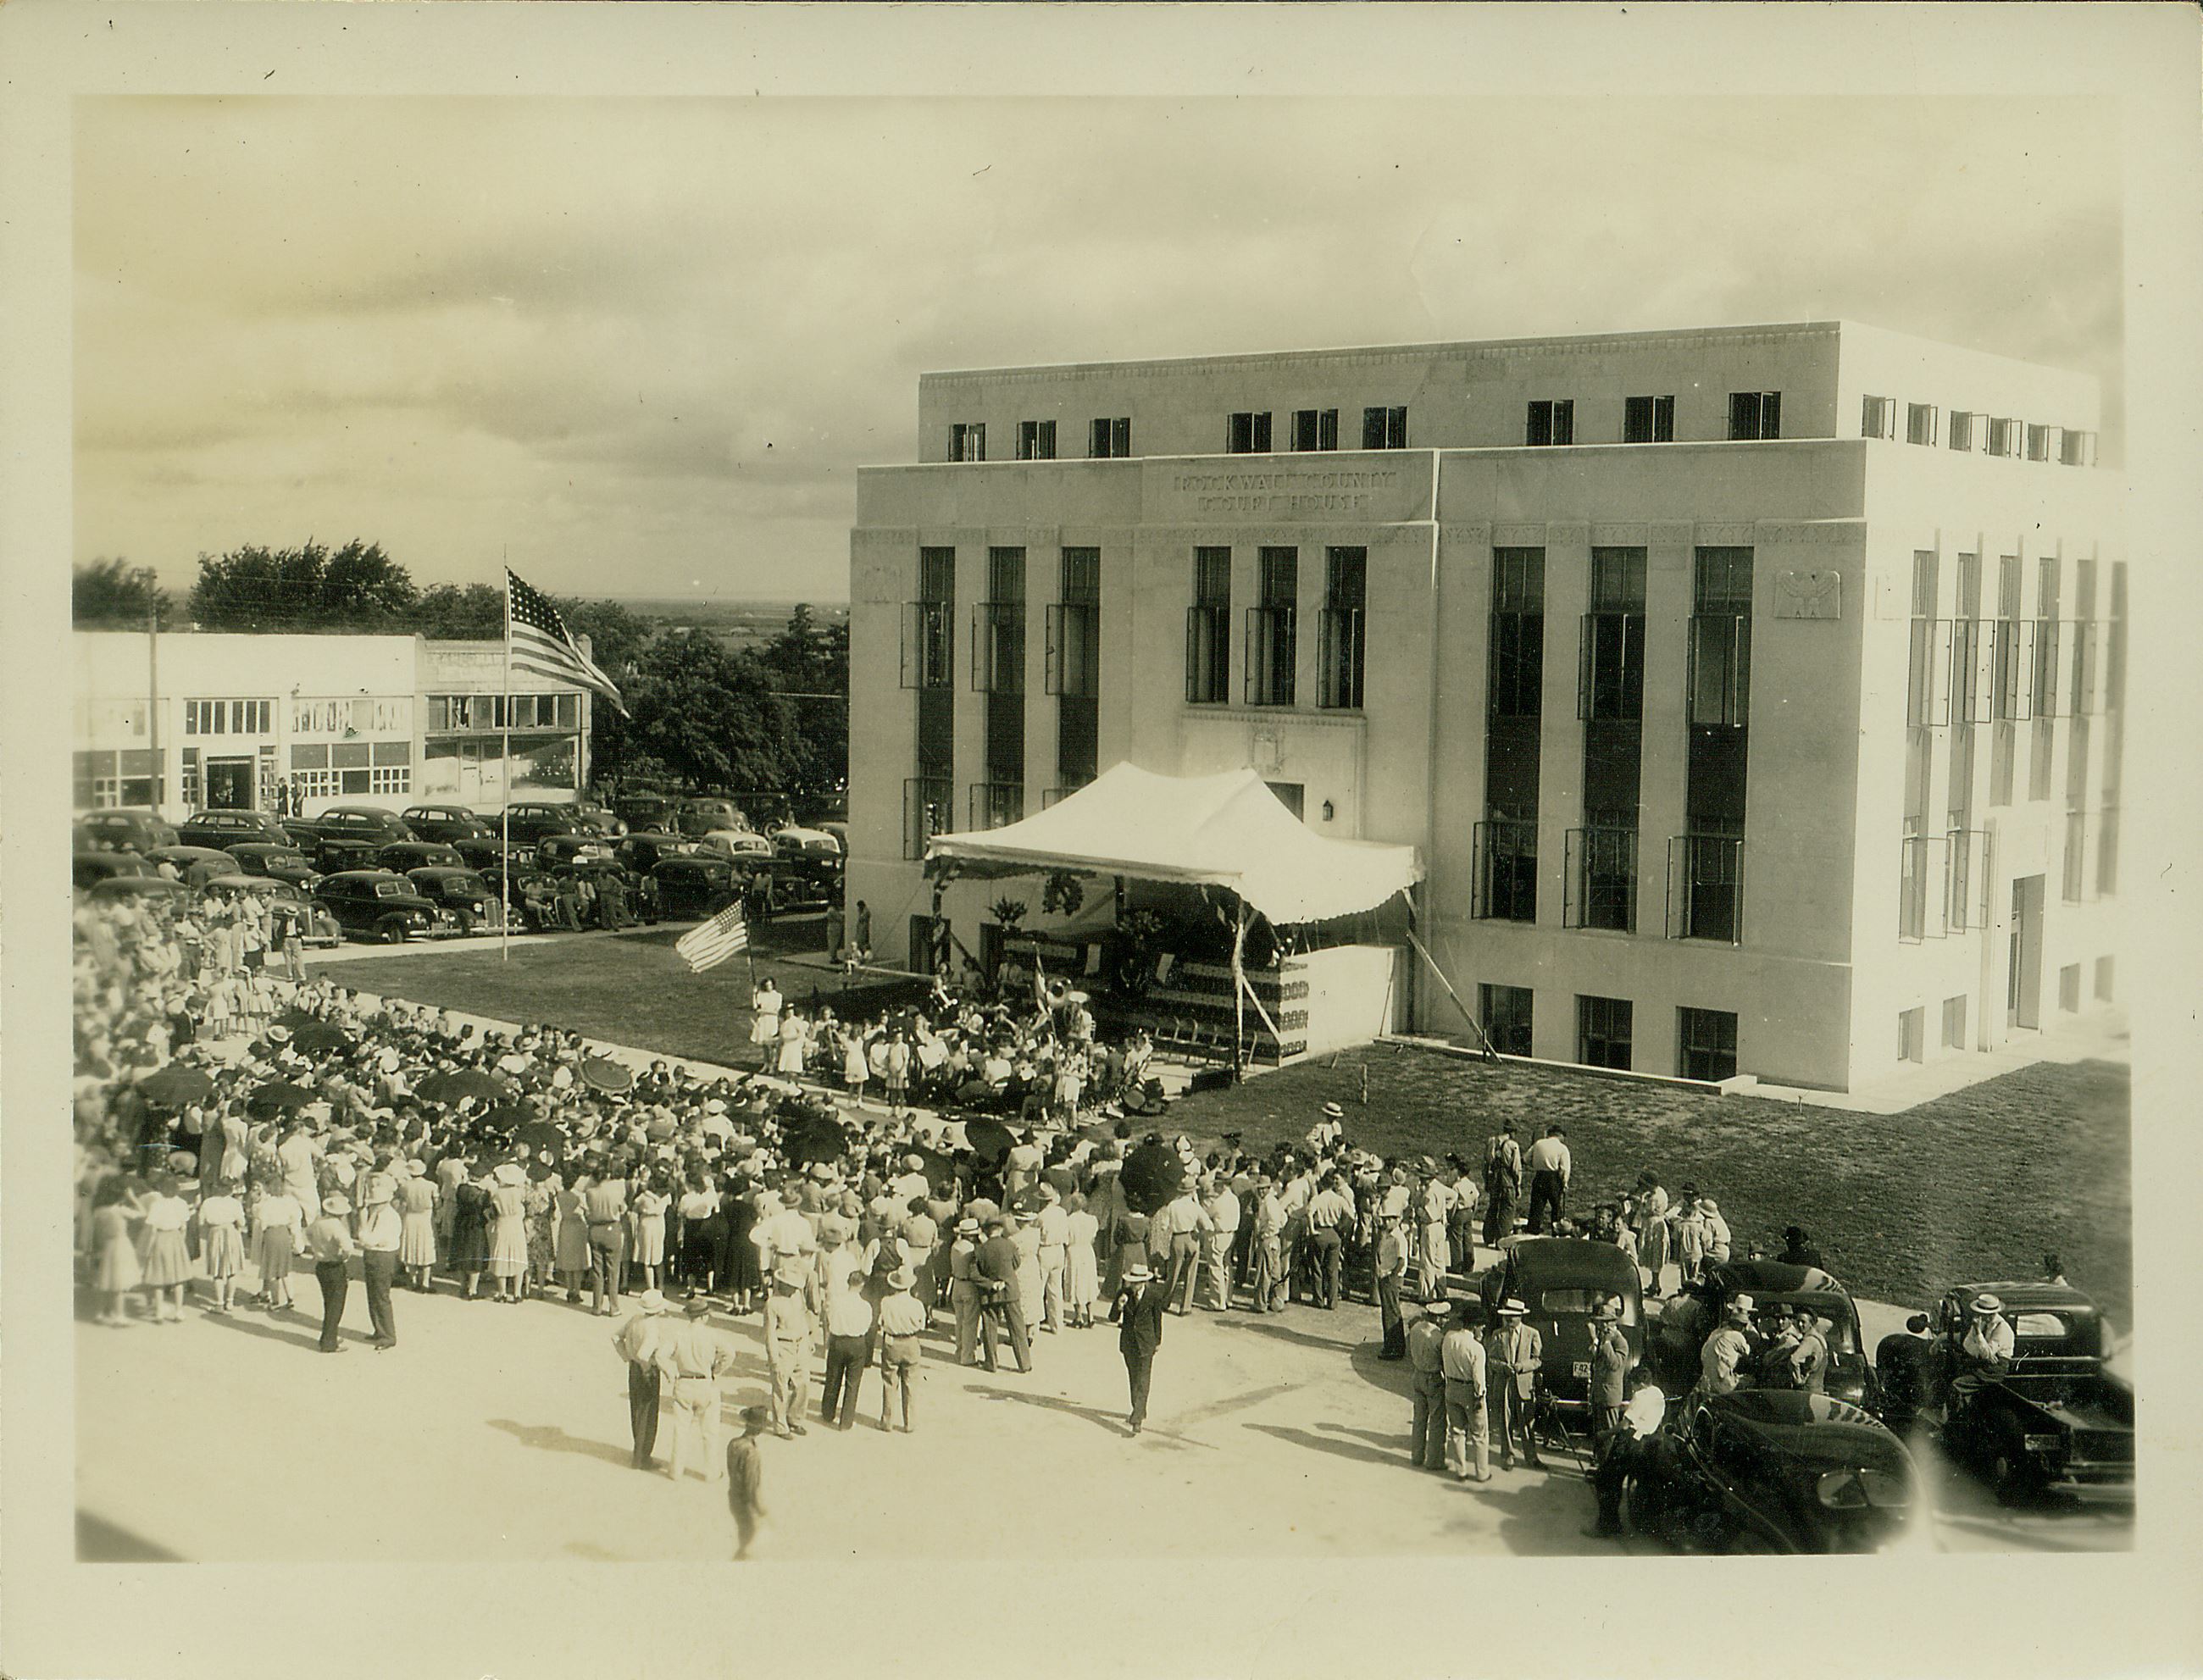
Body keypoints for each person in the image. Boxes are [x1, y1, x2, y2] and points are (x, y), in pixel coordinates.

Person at [658, 1297, 738, 1482]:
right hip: (705, 1384)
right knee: (710, 1432)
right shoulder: (712, 1335)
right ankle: (711, 1472)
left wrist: (671, 1372)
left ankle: (675, 1471)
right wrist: (717, 1370)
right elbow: (730, 1353)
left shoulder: (678, 1334)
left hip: (684, 1382)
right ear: (703, 1317)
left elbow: (661, 1355)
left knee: (681, 1430)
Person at [1589, 1383, 1667, 1541]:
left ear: (1641, 1384)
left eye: (1634, 1386)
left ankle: (1607, 1526)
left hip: (1630, 1441)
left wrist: (1604, 1434)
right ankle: (1646, 1524)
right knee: (1642, 1483)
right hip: (1648, 1441)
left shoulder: (1640, 1396)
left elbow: (1625, 1424)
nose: (1632, 1390)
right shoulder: (1658, 1393)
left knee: (1606, 1480)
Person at [612, 1288, 670, 1472]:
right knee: (648, 1414)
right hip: (647, 1370)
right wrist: (647, 1368)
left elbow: (615, 1337)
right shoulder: (652, 1327)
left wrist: (627, 1357)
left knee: (636, 1411)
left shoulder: (635, 1320)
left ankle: (638, 1452)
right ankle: (643, 1457)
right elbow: (645, 1354)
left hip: (633, 1369)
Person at [1109, 1261, 1168, 1436]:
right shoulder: (1123, 1294)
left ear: (1144, 1282)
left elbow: (1157, 1320)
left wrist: (1157, 1341)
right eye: (1131, 1282)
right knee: (1134, 1378)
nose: (1134, 1286)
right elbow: (1112, 1318)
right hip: (1129, 1343)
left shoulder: (1154, 1296)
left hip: (1146, 1343)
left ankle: (1136, 1419)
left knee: (1143, 1380)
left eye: (1137, 1283)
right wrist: (1119, 1306)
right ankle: (1140, 1409)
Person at [1487, 1297, 1545, 1470]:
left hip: (1523, 1384)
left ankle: (1531, 1457)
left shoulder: (1532, 1334)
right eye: (1507, 1316)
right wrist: (1503, 1368)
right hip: (1504, 1384)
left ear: (1521, 1316)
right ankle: (1508, 1456)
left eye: (1513, 1316)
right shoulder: (1498, 1334)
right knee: (1505, 1421)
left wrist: (1521, 1367)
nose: (1510, 1319)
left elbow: (1537, 1360)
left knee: (1527, 1422)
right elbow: (1490, 1360)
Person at [1439, 1301, 1491, 1483]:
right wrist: (1480, 1396)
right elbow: (1479, 1379)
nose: (1482, 1330)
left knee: (1457, 1431)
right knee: (1479, 1435)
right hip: (1470, 1391)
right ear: (1475, 1326)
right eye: (1481, 1326)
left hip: (1451, 1388)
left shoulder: (1449, 1337)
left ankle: (1460, 1471)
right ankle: (1482, 1472)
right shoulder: (1477, 1348)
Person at [974, 1216, 1033, 1373]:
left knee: (990, 1328)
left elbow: (974, 1273)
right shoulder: (1010, 1245)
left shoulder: (981, 1249)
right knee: (1017, 1328)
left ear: (987, 1231)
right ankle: (1024, 1363)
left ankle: (991, 1363)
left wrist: (991, 1283)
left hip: (989, 1292)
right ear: (1000, 1229)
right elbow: (1016, 1264)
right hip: (1010, 1290)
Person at [762, 1274, 814, 1439]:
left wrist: (808, 1338)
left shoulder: (797, 1297)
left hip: (800, 1344)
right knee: (781, 1388)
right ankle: (781, 1425)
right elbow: (769, 1333)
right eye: (791, 1286)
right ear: (782, 1284)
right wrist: (773, 1358)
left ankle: (795, 1418)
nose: (794, 1289)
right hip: (783, 1345)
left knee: (803, 1383)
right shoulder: (772, 1304)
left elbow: (803, 1317)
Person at [874, 1264, 926, 1432]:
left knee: (889, 1382)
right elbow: (921, 1325)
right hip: (911, 1342)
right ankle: (910, 1422)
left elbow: (881, 1323)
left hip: (892, 1342)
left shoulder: (886, 1302)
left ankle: (886, 1420)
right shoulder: (917, 1304)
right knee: (911, 1383)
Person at [818, 1278, 875, 1431]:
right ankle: (846, 1422)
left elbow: (829, 1319)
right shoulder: (865, 1306)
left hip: (837, 1341)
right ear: (862, 1285)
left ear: (848, 1283)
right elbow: (868, 1326)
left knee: (833, 1378)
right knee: (852, 1384)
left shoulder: (836, 1302)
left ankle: (827, 1413)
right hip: (857, 1343)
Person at [305, 1190, 358, 1353]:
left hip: (321, 1264)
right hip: (335, 1264)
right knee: (336, 1305)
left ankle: (330, 1335)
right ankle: (329, 1341)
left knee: (328, 1302)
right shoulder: (337, 1227)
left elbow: (308, 1233)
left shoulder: (318, 1223)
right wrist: (343, 1256)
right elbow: (348, 1247)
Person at [1406, 1294, 1451, 1471]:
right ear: (1437, 1317)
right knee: (1437, 1421)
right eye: (1444, 1316)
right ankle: (1434, 1460)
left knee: (1419, 1419)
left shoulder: (1415, 1329)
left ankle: (1417, 1456)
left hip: (1418, 1375)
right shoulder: (1439, 1338)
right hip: (1434, 1377)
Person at [358, 1178, 403, 1347]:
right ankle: (379, 1329)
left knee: (381, 1297)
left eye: (375, 1204)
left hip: (381, 1257)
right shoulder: (380, 1215)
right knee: (373, 1296)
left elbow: (366, 1239)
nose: (372, 1206)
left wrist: (366, 1223)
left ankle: (388, 1336)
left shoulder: (387, 1218)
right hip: (374, 1255)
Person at [195, 1178, 249, 1316]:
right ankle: (229, 1301)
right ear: (230, 1189)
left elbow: (201, 1222)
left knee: (217, 1270)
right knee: (232, 1269)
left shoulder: (208, 1203)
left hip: (215, 1233)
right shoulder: (235, 1204)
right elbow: (242, 1222)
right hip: (231, 1232)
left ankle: (219, 1302)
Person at [583, 1167, 630, 1316]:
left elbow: (588, 1210)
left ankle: (597, 1306)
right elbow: (623, 1209)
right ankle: (614, 1306)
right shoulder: (615, 1192)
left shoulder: (590, 1192)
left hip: (595, 1229)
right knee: (613, 1270)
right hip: (611, 1227)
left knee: (597, 1270)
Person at [726, 1406, 771, 1561]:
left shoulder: (733, 1443)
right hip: (745, 1503)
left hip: (733, 1495)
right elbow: (751, 1487)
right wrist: (761, 1509)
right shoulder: (752, 1453)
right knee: (749, 1542)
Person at [1953, 1294, 2016, 1402]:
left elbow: (1986, 1353)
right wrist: (1982, 1353)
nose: (1979, 1316)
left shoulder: (2002, 1329)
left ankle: (1954, 1417)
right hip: (1982, 1363)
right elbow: (1967, 1344)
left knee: (1957, 1385)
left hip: (1994, 1370)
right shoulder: (1981, 1323)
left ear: (1991, 1314)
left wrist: (1978, 1334)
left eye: (1982, 1314)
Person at [1588, 1295, 1631, 1436]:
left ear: (1612, 1323)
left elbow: (1615, 1364)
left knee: (1608, 1434)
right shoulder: (1602, 1337)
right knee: (1598, 1434)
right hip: (1599, 1395)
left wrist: (1607, 1343)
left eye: (1604, 1322)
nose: (1601, 1326)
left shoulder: (1620, 1342)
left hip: (1609, 1398)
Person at [486, 1166, 529, 1307]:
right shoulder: (520, 1192)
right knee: (518, 1256)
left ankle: (502, 1292)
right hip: (516, 1224)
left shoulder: (496, 1193)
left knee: (501, 1254)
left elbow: (492, 1212)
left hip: (502, 1223)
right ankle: (517, 1293)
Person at [1698, 1295, 1756, 1397]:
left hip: (1707, 1382)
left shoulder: (1717, 1332)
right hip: (1724, 1385)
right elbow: (1748, 1354)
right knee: (1752, 1381)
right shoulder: (1737, 1336)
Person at [397, 1161, 439, 1293]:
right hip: (425, 1217)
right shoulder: (431, 1186)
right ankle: (425, 1282)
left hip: (410, 1217)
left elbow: (402, 1203)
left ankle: (413, 1280)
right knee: (426, 1248)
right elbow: (437, 1204)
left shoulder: (404, 1186)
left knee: (411, 1247)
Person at [1373, 1212, 1409, 1359]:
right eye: (1385, 1219)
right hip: (1385, 1275)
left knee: (1391, 1314)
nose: (1387, 1221)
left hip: (1392, 1278)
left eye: (1390, 1219)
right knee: (1389, 1313)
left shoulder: (1399, 1238)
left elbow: (1401, 1261)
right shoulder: (1387, 1235)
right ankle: (1392, 1346)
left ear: (1398, 1220)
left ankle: (1394, 1348)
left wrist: (1392, 1276)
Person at [1481, 1123, 1523, 1246]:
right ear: (1512, 1132)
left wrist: (1487, 1181)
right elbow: (1516, 1168)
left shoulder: (1492, 1142)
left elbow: (1486, 1163)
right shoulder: (1512, 1145)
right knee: (1507, 1209)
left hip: (1494, 1179)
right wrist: (1518, 1184)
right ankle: (1502, 1239)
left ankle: (1488, 1237)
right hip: (1507, 1180)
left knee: (1493, 1207)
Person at [1525, 1125, 1572, 1234]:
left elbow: (1526, 1159)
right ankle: (1557, 1232)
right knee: (1556, 1208)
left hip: (1539, 1176)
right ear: (1559, 1135)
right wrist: (1564, 1182)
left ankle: (1533, 1231)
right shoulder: (1562, 1148)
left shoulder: (1538, 1144)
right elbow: (1565, 1169)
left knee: (1536, 1206)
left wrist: (1536, 1165)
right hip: (1554, 1179)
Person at [749, 978, 783, 1068]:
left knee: (772, 1044)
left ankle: (772, 1065)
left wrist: (763, 1011)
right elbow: (755, 1007)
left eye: (770, 985)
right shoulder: (761, 995)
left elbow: (776, 1012)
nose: (769, 987)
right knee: (764, 1045)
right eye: (767, 985)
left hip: (772, 1021)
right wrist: (754, 994)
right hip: (763, 1021)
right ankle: (766, 1064)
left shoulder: (778, 996)